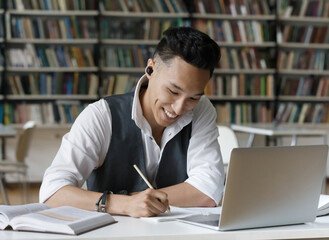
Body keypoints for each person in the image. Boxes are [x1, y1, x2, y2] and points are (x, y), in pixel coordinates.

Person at [39, 27, 225, 217]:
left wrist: (144, 201)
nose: (178, 108)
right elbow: (52, 192)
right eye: (173, 92)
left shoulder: (202, 110)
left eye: (193, 98)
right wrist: (123, 204)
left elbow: (209, 190)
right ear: (150, 69)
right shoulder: (101, 116)